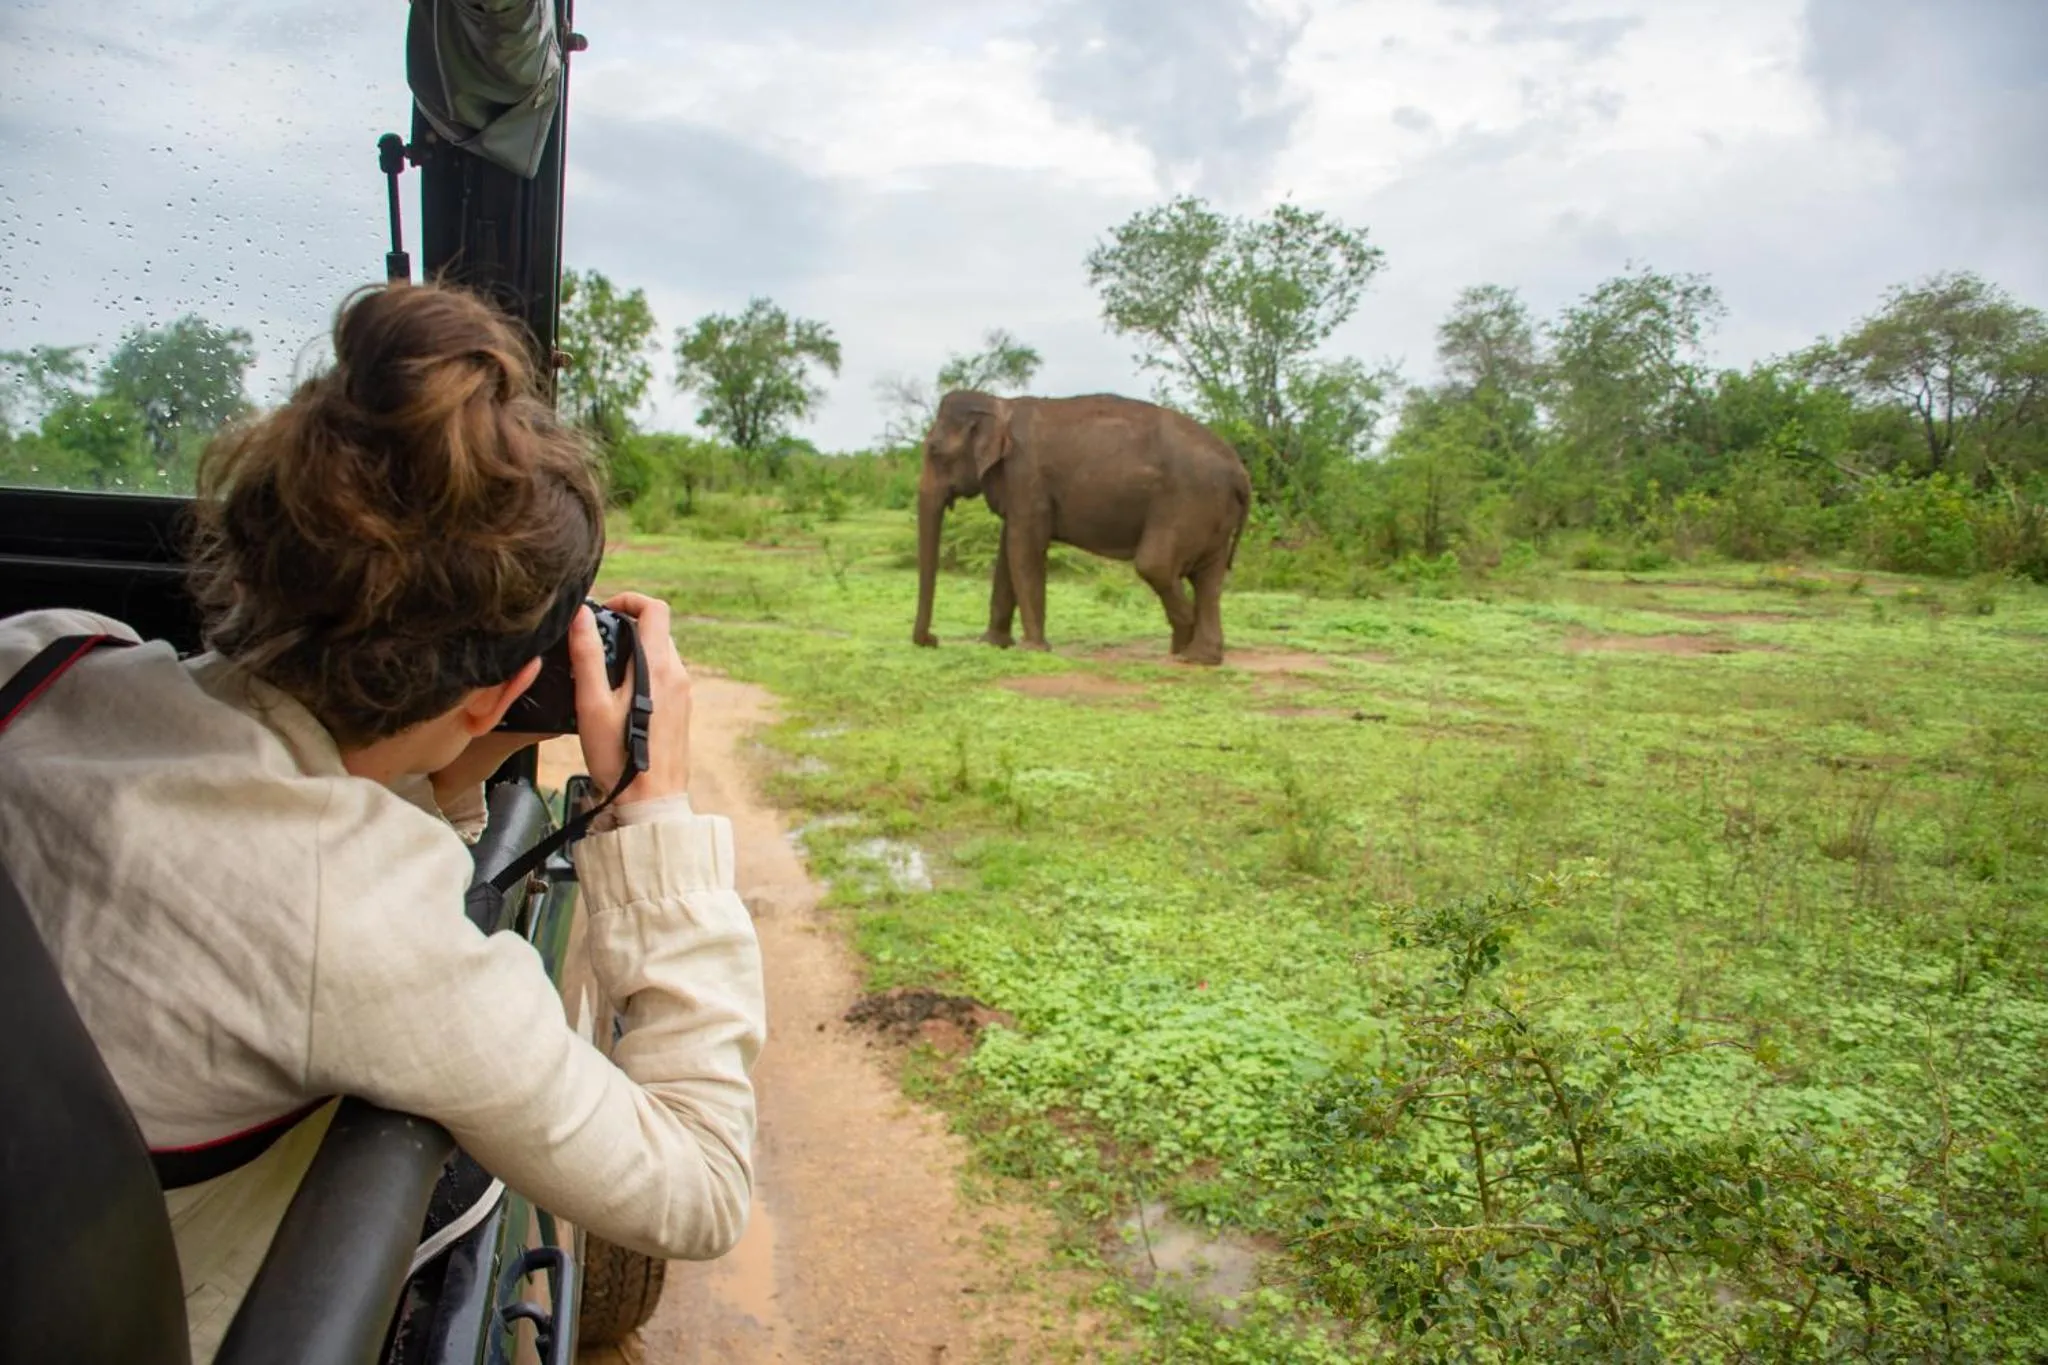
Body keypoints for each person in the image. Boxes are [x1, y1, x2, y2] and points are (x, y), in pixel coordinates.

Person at [0, 283, 765, 1361]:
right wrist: (654, 814)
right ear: (499, 692)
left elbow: (294, 802)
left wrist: (456, 761)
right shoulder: (356, 924)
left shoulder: (42, 655)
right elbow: (698, 1183)